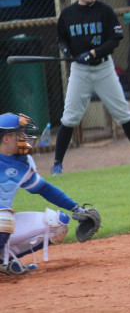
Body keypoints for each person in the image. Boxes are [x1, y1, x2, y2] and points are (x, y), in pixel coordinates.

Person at [52, 0, 130, 175]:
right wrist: (66, 51)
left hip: (104, 69)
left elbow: (114, 40)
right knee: (70, 117)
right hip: (80, 71)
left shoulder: (105, 11)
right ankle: (57, 164)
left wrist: (93, 53)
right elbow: (61, 39)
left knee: (122, 113)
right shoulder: (67, 14)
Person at [0, 113, 96, 275]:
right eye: (20, 134)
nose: (25, 137)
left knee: (57, 225)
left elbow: (45, 189)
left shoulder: (22, 164)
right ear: (6, 138)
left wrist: (75, 208)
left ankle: (3, 260)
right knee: (5, 217)